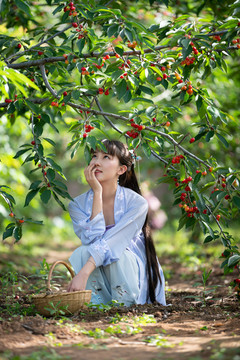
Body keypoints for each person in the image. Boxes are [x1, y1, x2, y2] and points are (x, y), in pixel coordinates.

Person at [67, 139, 166, 306]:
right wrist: (97, 192)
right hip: (96, 258)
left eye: (106, 157)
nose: (97, 162)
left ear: (121, 169)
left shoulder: (137, 203)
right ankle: (96, 304)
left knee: (118, 256)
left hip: (127, 260)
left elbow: (113, 245)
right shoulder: (76, 205)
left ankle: (124, 305)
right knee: (83, 252)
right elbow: (92, 240)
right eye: (94, 156)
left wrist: (84, 273)